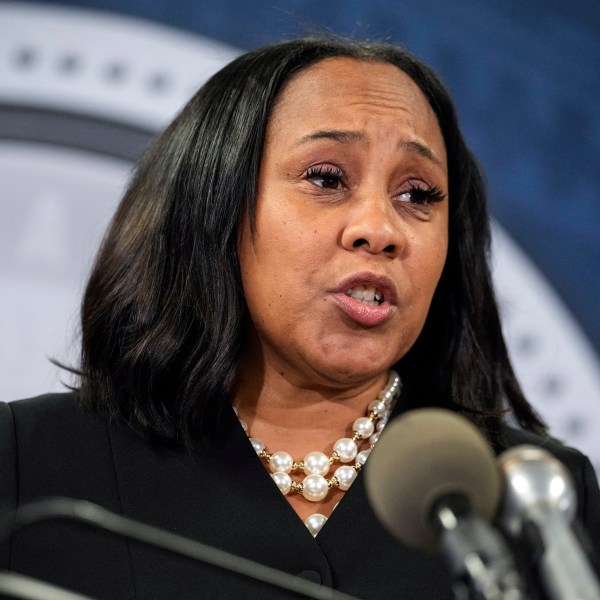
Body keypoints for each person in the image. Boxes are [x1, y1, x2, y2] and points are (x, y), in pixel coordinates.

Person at [1, 37, 599, 600]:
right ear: (215, 207)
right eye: (326, 178)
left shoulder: (533, 500)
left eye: (418, 194)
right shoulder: (30, 465)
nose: (380, 228)